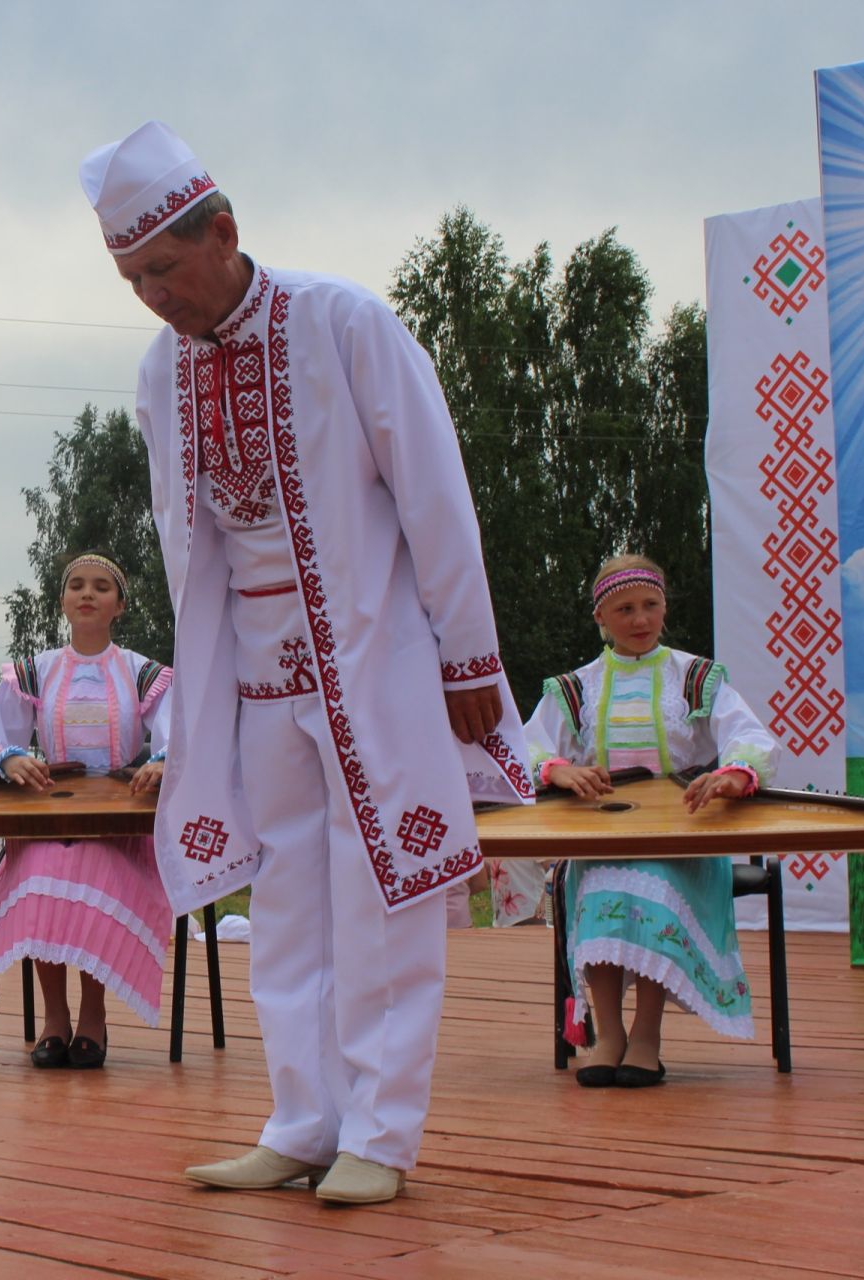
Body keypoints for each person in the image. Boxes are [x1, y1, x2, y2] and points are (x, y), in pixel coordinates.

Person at [80, 122, 533, 1202]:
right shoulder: (160, 371)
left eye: (160, 268)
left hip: (373, 657)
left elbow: (435, 489)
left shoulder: (344, 323)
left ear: (223, 231)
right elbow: (185, 540)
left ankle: (381, 1129)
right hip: (253, 675)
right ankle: (301, 1117)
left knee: (383, 887)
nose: (150, 296)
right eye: (130, 278)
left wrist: (468, 651)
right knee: (281, 898)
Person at [524, 554, 776, 1087]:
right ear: (601, 618)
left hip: (681, 837)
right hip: (602, 836)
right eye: (625, 609)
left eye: (651, 606)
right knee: (598, 892)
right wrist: (561, 770)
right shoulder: (575, 688)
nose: (640, 619)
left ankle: (647, 1035)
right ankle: (608, 1033)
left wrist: (733, 773)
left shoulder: (697, 677)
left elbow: (750, 736)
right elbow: (525, 747)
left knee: (652, 889)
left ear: (664, 608)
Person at [0, 553, 173, 1070]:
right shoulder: (34, 671)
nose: (87, 594)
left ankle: (94, 1015)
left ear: (120, 605)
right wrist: (11, 755)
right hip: (48, 817)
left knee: (93, 874)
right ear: (63, 601)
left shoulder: (142, 673)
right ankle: (54, 1017)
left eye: (100, 587)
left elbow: (182, 735)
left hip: (118, 824)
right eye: (76, 586)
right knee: (41, 874)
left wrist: (163, 760)